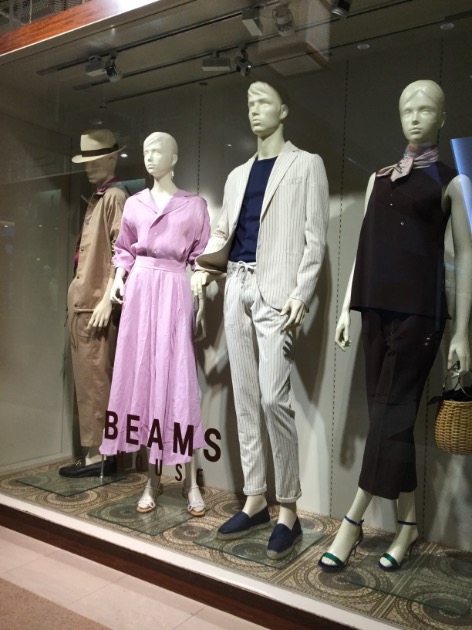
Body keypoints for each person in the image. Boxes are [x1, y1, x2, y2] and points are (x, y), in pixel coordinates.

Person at [318, 80, 472, 572]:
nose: (415, 117)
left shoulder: (451, 182)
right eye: (407, 109)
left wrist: (463, 332)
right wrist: (346, 306)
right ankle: (407, 526)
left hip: (419, 317)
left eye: (425, 109)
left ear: (441, 117)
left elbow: (468, 255)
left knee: (390, 417)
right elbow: (364, 246)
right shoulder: (378, 178)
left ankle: (352, 520)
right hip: (374, 311)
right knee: (391, 421)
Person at [192, 81, 330, 559]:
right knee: (246, 397)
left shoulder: (306, 164)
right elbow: (223, 233)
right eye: (249, 103)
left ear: (283, 109)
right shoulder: (236, 176)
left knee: (275, 398)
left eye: (264, 102)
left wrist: (301, 294)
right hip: (237, 285)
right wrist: (204, 268)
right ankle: (255, 500)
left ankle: (287, 508)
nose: (255, 110)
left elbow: (315, 239)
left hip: (276, 293)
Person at [99, 132, 210, 516]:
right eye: (145, 150)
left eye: (158, 150)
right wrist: (118, 278)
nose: (150, 156)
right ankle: (152, 478)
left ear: (174, 158)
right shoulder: (134, 204)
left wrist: (201, 285)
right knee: (143, 379)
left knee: (178, 383)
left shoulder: (194, 205)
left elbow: (201, 257)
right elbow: (123, 250)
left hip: (174, 289)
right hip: (141, 290)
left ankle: (190, 481)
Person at [60, 129, 127, 478]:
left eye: (95, 160)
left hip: (95, 307)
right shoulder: (99, 197)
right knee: (89, 380)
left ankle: (99, 455)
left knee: (95, 381)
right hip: (84, 303)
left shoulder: (114, 196)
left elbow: (122, 252)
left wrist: (105, 300)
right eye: (85, 162)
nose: (88, 167)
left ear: (112, 158)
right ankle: (97, 453)